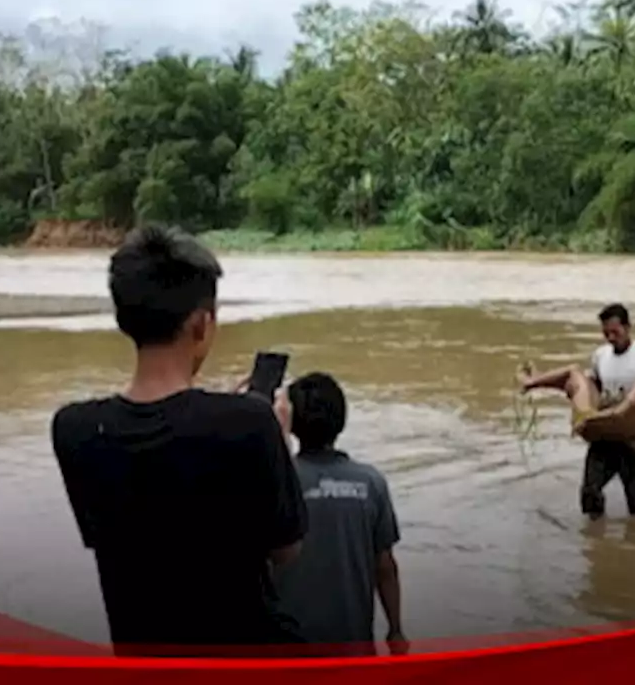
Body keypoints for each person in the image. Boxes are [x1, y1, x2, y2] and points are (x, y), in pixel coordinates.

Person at [50, 224, 308, 657]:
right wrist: (274, 441)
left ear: (123, 318)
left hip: (146, 661)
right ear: (201, 324)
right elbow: (286, 549)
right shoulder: (248, 423)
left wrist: (229, 416)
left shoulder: (73, 429)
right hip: (246, 662)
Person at [518, 303, 635, 519]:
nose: (611, 337)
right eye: (606, 333)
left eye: (615, 332)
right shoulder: (600, 356)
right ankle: (595, 542)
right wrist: (581, 411)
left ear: (628, 327)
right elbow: (589, 387)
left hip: (633, 438)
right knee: (590, 495)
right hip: (604, 432)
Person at [271, 372, 407, 657]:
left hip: (287, 651)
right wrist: (395, 629)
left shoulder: (279, 483)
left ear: (292, 423)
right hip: (353, 649)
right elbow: (385, 567)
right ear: (342, 419)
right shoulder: (371, 483)